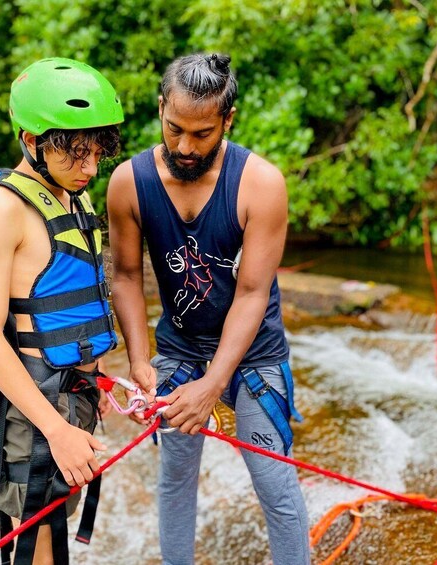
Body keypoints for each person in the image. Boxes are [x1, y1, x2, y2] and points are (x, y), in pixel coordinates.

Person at [107, 53, 311, 565]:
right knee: (175, 479)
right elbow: (128, 276)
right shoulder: (129, 183)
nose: (185, 146)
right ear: (159, 109)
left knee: (274, 483)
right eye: (174, 128)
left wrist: (214, 386)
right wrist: (138, 360)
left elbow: (251, 293)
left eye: (202, 134)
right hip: (177, 348)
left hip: (253, 355)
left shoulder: (260, 184)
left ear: (228, 120)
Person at [0, 57, 123, 565]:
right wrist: (56, 432)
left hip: (73, 400)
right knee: (38, 538)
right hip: (36, 414)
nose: (91, 167)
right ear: (31, 141)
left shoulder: (74, 195)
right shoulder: (1, 210)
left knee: (60, 518)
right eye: (76, 154)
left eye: (97, 152)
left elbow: (70, 306)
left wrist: (98, 381)